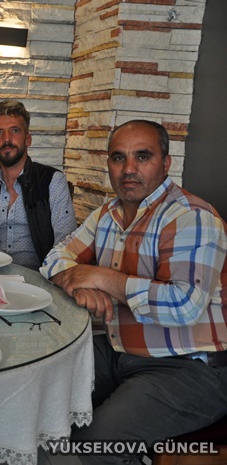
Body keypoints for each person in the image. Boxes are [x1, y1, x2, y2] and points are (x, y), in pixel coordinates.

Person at [40, 120, 227, 464]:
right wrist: (75, 282)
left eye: (143, 156)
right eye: (118, 157)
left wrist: (100, 277)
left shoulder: (192, 216)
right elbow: (55, 258)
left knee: (94, 447)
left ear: (166, 163)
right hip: (119, 348)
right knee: (35, 388)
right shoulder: (106, 215)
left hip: (188, 366)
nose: (128, 168)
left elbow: (185, 305)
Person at [0, 100, 77, 269]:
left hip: (39, 278)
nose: (6, 139)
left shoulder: (52, 181)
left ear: (28, 139)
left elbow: (66, 244)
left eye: (15, 130)